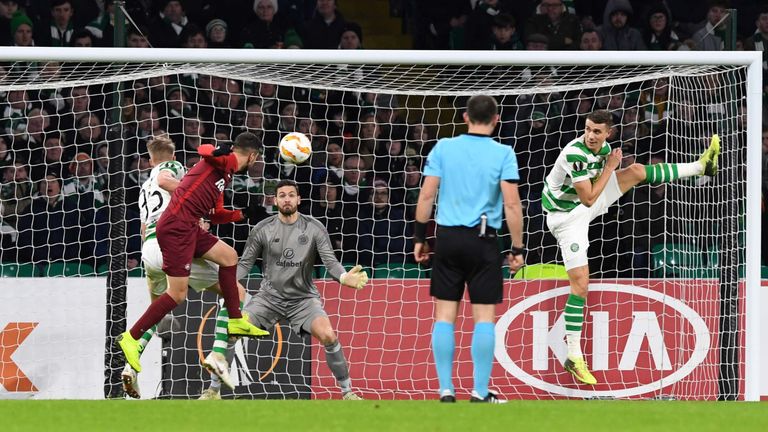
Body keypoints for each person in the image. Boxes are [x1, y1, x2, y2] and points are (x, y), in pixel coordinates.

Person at [541, 109, 719, 385]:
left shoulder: (607, 149)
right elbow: (588, 198)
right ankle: (573, 355)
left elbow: (595, 192)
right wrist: (611, 168)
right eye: (588, 129)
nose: (590, 135)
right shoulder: (575, 153)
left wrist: (613, 170)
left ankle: (699, 167)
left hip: (586, 203)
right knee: (580, 285)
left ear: (608, 133)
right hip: (566, 217)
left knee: (635, 171)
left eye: (597, 131)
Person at [198, 180, 369, 400]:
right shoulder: (262, 229)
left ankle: (347, 393)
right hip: (268, 299)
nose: (286, 199)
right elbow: (244, 264)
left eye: (291, 195)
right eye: (282, 195)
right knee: (232, 332)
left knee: (329, 336)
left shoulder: (314, 227)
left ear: (299, 199)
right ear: (275, 200)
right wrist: (223, 282)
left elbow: (330, 262)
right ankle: (213, 390)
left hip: (304, 300)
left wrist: (345, 277)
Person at [116, 132, 269, 374]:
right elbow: (205, 150)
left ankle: (236, 320)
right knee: (176, 295)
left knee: (229, 256)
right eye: (256, 159)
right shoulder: (224, 161)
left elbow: (215, 214)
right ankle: (131, 338)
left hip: (181, 230)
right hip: (177, 228)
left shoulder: (224, 175)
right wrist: (219, 150)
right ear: (253, 156)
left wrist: (244, 214)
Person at [412, 95, 524, 403]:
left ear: (465, 117)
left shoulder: (444, 148)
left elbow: (425, 197)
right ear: (496, 119)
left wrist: (420, 238)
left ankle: (446, 389)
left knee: (445, 315)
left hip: (447, 239)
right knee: (484, 317)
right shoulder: (503, 153)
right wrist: (517, 247)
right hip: (484, 240)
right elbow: (512, 204)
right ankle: (479, 391)